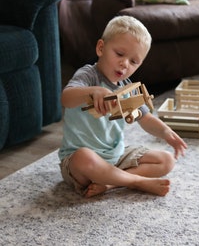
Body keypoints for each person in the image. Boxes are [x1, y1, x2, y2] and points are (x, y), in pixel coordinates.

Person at [59, 15, 187, 198]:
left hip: (116, 157)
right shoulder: (88, 75)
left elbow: (145, 118)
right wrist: (92, 91)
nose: (125, 64)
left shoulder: (127, 86)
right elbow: (66, 98)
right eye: (119, 54)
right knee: (84, 158)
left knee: (167, 161)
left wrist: (166, 133)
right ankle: (136, 181)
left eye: (134, 61)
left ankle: (110, 183)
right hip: (79, 161)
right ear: (101, 48)